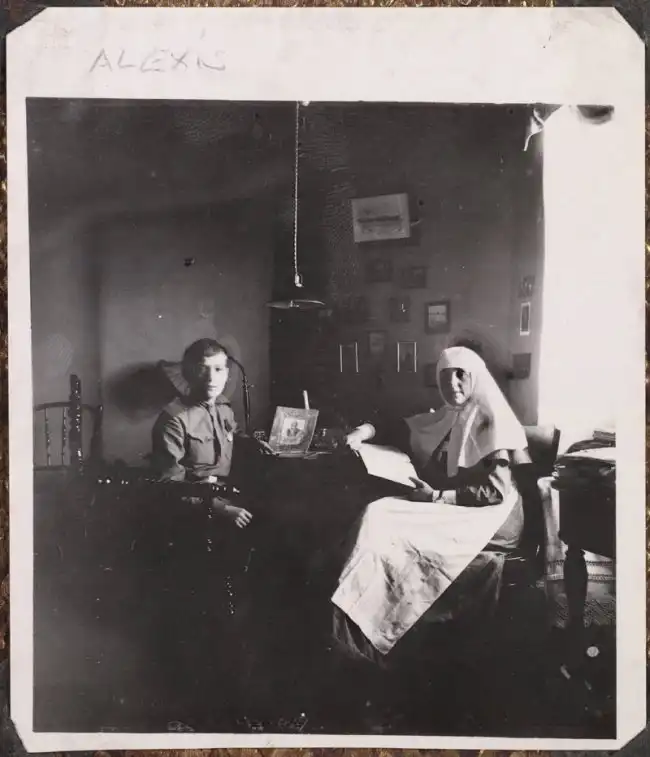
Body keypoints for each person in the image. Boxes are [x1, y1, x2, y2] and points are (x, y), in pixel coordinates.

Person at [331, 345, 531, 666]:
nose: (452, 384)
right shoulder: (446, 416)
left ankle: (367, 629)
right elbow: (396, 425)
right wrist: (362, 432)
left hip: (493, 517)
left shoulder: (491, 420)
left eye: (461, 375)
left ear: (476, 377)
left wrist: (436, 497)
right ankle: (353, 620)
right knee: (377, 512)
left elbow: (495, 491)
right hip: (456, 507)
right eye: (445, 377)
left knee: (388, 525)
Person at [151, 338, 272, 529]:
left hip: (229, 494)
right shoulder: (174, 420)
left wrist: (252, 442)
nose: (211, 378)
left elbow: (232, 432)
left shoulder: (223, 407)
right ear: (188, 373)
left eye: (218, 369)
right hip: (196, 511)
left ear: (227, 374)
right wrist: (219, 509)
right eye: (202, 369)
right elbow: (169, 486)